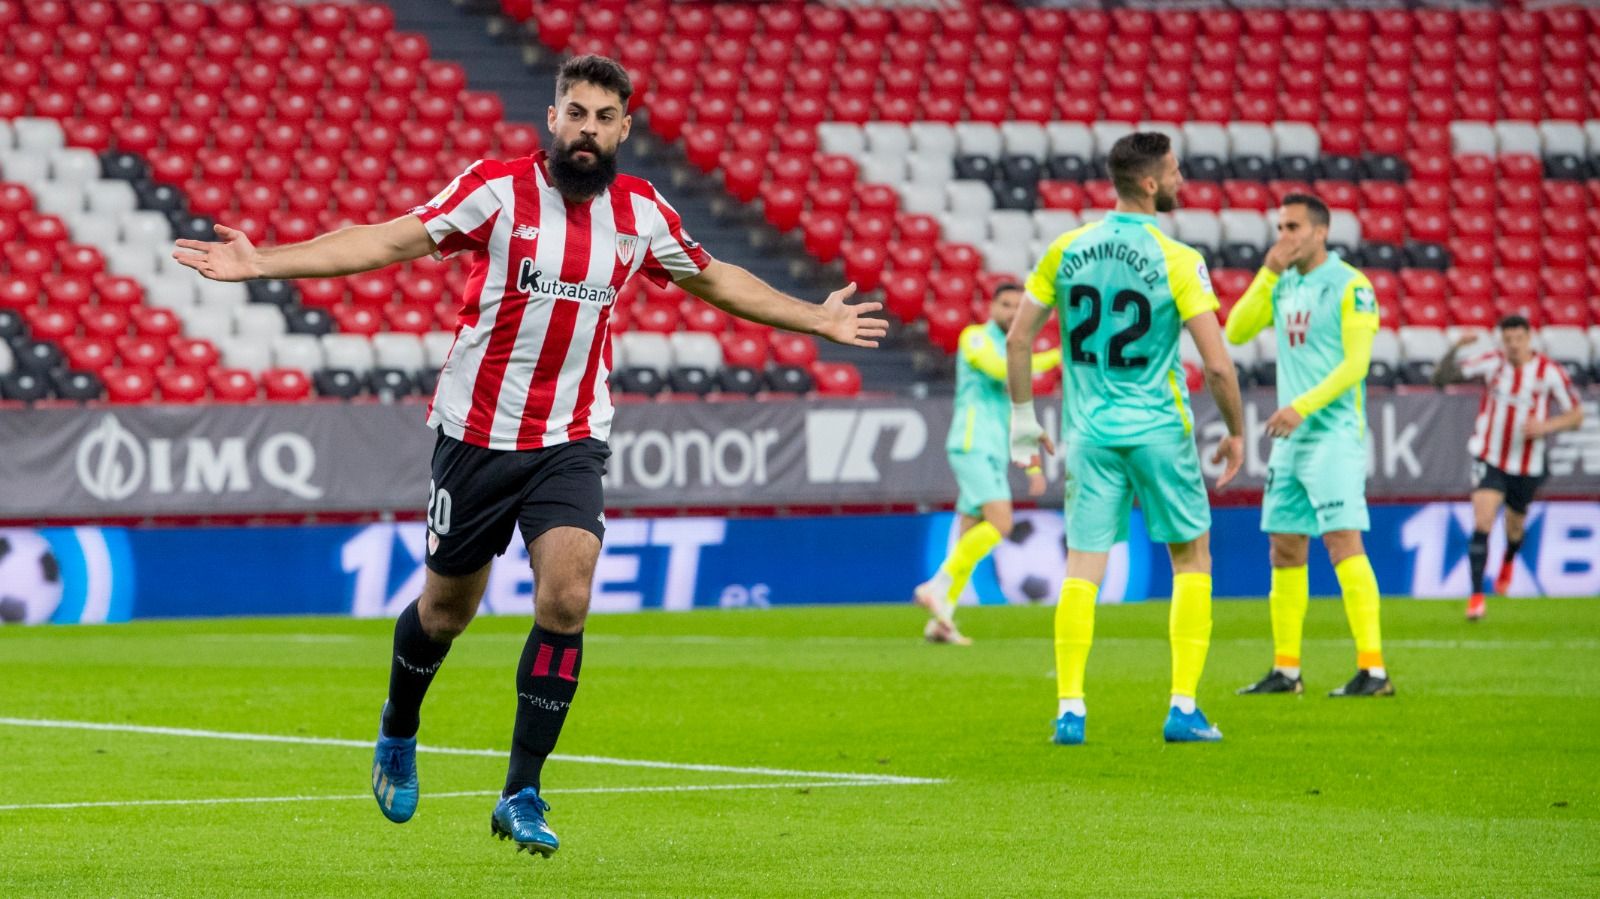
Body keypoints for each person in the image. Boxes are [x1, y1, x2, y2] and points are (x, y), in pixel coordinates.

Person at [171, 55, 886, 857]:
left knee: (568, 599)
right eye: (574, 112)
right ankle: (399, 726)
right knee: (446, 613)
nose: (586, 129)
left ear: (624, 126)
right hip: (475, 436)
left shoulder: (643, 212)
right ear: (553, 119)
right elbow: (387, 241)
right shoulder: (496, 190)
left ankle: (521, 790)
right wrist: (265, 260)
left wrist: (812, 319)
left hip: (571, 438)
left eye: (602, 116)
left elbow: (717, 280)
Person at [1006, 132, 1245, 746]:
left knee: (1083, 569)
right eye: (1172, 171)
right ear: (1148, 183)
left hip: (1089, 434)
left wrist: (1023, 421)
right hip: (1160, 433)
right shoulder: (1176, 258)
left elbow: (1018, 340)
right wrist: (1237, 430)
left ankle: (1070, 710)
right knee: (1191, 559)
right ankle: (1184, 707)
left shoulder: (1066, 248)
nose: (1181, 179)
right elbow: (1217, 365)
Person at [1226, 194, 1392, 698]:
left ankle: (1374, 670)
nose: (1283, 236)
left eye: (1292, 226)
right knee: (1284, 546)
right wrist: (1267, 273)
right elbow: (1235, 331)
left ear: (1320, 232)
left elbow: (1356, 366)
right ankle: (1287, 670)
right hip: (1290, 440)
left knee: (1342, 542)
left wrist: (1304, 406)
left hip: (1332, 434)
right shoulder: (1284, 283)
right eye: (1279, 226)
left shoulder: (1351, 286)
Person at [913, 283, 1060, 645]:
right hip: (971, 443)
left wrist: (1032, 466)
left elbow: (1015, 413)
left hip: (992, 449)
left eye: (1018, 307)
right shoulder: (976, 338)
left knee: (968, 534)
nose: (1012, 312)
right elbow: (998, 369)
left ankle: (942, 618)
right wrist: (1057, 356)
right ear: (992, 306)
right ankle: (936, 586)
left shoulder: (1014, 350)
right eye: (1006, 304)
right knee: (1001, 522)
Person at [1433, 315, 1584, 620]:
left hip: (1527, 464)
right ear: (1501, 341)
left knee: (1514, 527)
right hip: (1489, 456)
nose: (1513, 346)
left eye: (1519, 339)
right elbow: (1441, 378)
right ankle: (1476, 597)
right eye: (1508, 340)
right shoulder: (1492, 363)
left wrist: (1546, 425)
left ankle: (1508, 560)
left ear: (1529, 338)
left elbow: (1576, 415)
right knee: (1483, 520)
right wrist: (1454, 348)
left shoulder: (1549, 372)